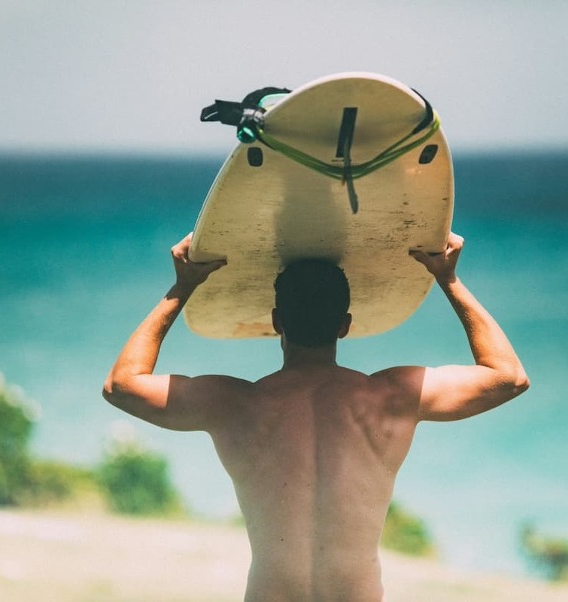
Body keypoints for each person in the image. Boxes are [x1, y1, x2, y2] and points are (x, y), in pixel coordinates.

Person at [103, 231, 529, 602]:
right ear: (345, 325)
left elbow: (122, 385)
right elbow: (507, 377)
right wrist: (447, 278)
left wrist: (183, 286)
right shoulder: (390, 397)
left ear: (275, 322)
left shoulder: (235, 404)